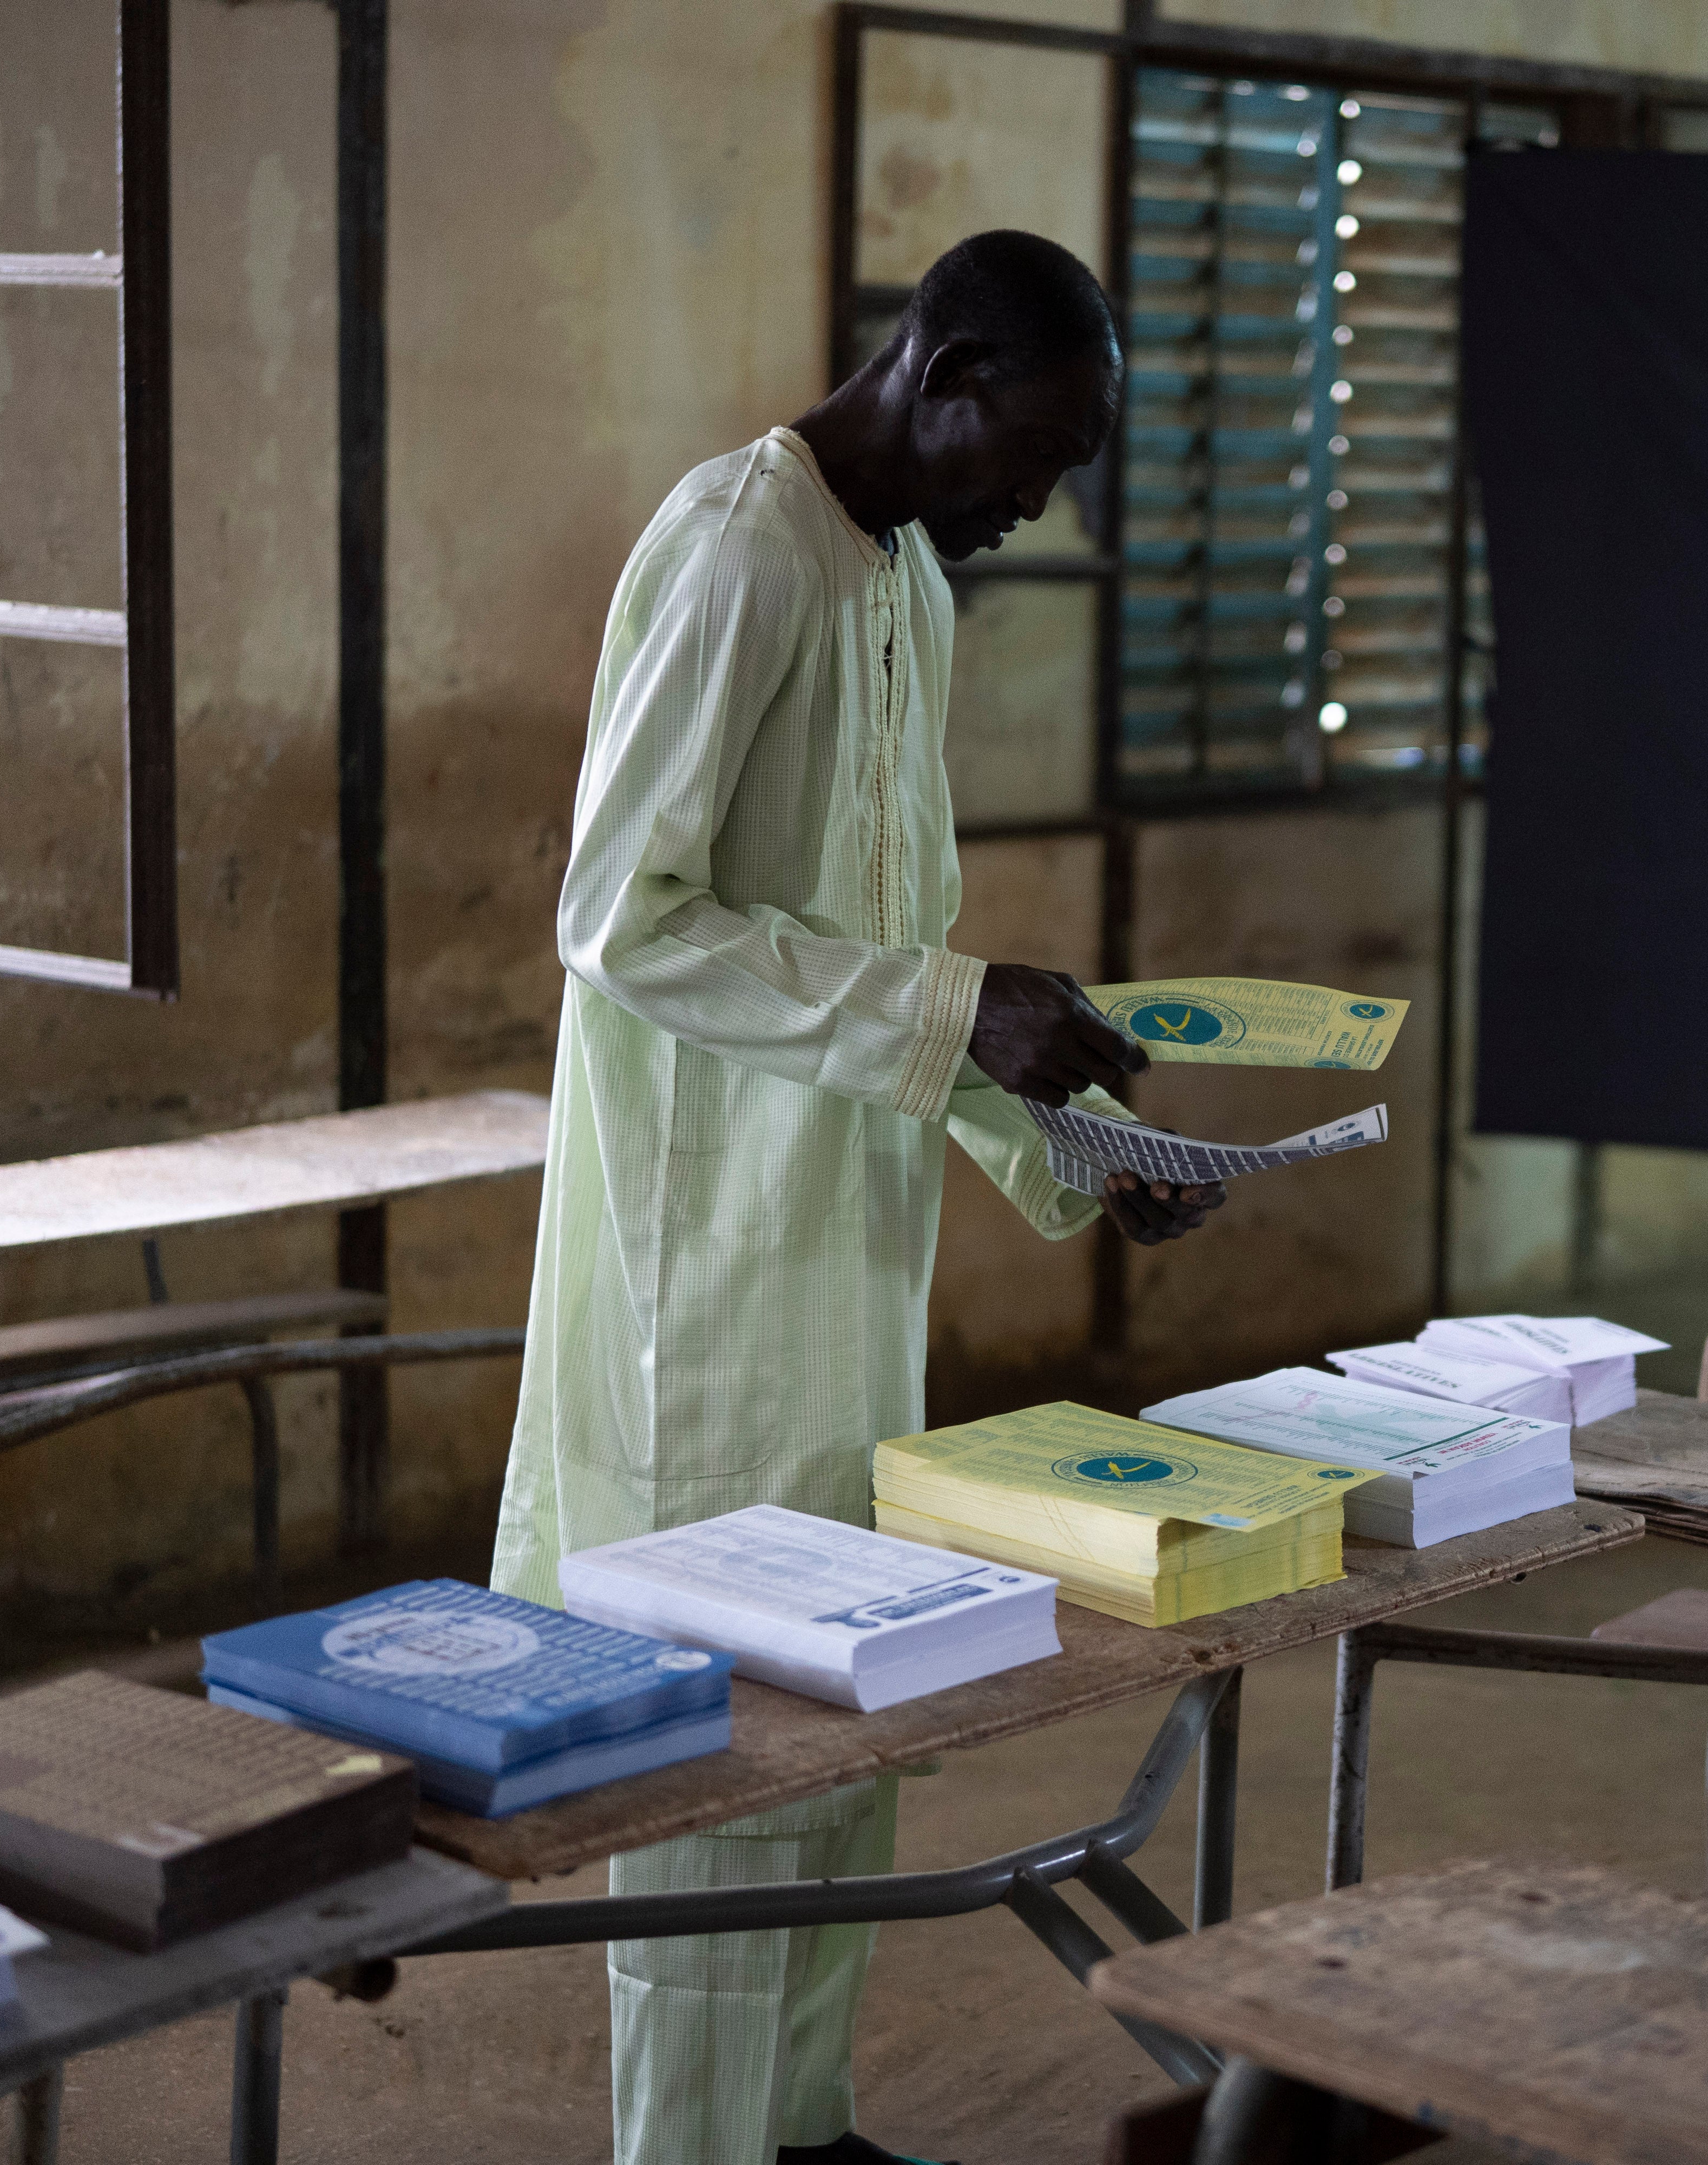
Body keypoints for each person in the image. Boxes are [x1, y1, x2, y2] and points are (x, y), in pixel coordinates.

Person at [490, 229, 1219, 2165]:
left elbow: (901, 959)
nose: (1035, 508)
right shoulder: (745, 552)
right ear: (944, 368)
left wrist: (1070, 1133)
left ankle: (797, 2131)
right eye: (1030, 458)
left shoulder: (903, 572)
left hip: (838, 1256)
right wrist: (962, 1017)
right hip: (700, 1276)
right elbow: (618, 921)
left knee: (849, 1702)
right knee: (722, 1758)